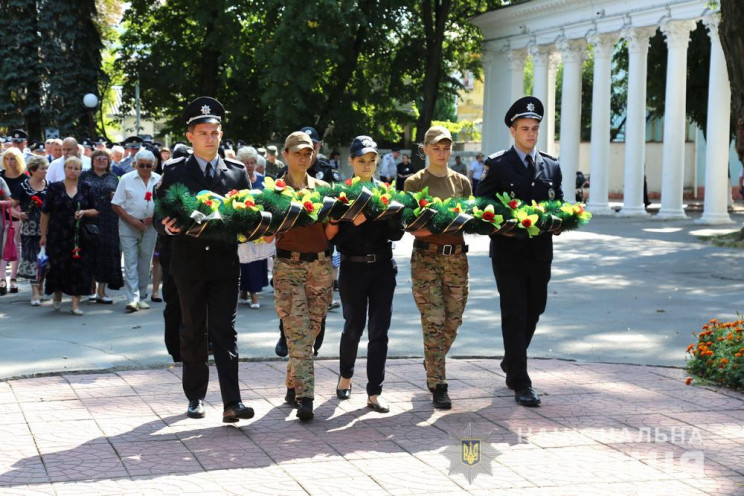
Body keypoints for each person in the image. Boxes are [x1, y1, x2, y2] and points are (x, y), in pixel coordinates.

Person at [154, 96, 254, 423]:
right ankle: (195, 396)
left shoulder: (237, 174)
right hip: (188, 265)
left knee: (225, 331)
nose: (210, 138)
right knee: (193, 328)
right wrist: (166, 226)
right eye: (203, 132)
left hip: (225, 264)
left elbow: (248, 216)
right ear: (190, 136)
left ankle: (232, 402)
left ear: (221, 135)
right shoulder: (174, 172)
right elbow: (159, 215)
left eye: (215, 132)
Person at [476, 96, 563, 407]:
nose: (530, 133)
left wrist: (560, 219)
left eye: (535, 128)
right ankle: (521, 381)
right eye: (525, 128)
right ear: (512, 131)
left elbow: (559, 204)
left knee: (536, 308)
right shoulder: (497, 164)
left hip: (541, 252)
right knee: (515, 313)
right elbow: (481, 204)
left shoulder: (551, 165)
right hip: (509, 252)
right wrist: (503, 223)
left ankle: (512, 359)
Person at [326, 136, 403, 413]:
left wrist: (389, 216)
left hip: (382, 266)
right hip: (353, 267)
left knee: (379, 331)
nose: (367, 165)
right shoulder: (341, 193)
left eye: (372, 160)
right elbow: (330, 236)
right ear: (351, 162)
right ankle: (346, 375)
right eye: (361, 160)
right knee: (353, 327)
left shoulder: (386, 191)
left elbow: (397, 234)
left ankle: (374, 392)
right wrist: (350, 217)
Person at [264, 131, 333, 421]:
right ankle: (306, 397)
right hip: (288, 266)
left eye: (308, 153)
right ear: (285, 154)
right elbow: (266, 235)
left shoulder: (324, 188)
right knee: (298, 333)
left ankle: (293, 384)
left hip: (319, 266)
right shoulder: (274, 190)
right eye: (298, 153)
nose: (304, 158)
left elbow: (330, 233)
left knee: (312, 330)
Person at [404, 126, 471, 410]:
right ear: (426, 149)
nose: (442, 153)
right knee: (433, 319)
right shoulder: (414, 182)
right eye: (436, 148)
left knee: (453, 321)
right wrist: (437, 225)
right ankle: (438, 383)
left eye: (446, 148)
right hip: (427, 259)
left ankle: (433, 357)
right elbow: (410, 224)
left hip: (456, 258)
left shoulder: (463, 183)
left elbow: (472, 217)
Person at [40, 156, 98, 315]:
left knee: (79, 268)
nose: (73, 171)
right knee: (58, 266)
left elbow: (96, 210)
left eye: (76, 168)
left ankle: (75, 304)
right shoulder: (54, 188)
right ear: (64, 169)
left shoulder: (86, 187)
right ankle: (57, 296)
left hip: (79, 236)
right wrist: (43, 235)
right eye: (70, 167)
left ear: (81, 171)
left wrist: (84, 212)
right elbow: (45, 213)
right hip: (57, 234)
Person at [112, 149, 160, 312]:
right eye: (142, 165)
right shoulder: (126, 179)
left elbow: (164, 204)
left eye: (148, 165)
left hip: (150, 227)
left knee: (145, 262)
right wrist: (132, 220)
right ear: (135, 164)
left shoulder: (159, 180)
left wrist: (154, 218)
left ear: (153, 165)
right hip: (128, 225)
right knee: (130, 260)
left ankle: (142, 296)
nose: (145, 168)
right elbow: (116, 204)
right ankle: (132, 298)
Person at [80, 149, 123, 304]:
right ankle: (90, 288)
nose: (101, 160)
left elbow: (120, 198)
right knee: (89, 253)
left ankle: (102, 291)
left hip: (109, 219)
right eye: (98, 158)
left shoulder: (113, 177)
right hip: (89, 217)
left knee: (106, 253)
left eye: (104, 158)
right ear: (92, 160)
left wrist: (115, 196)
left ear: (109, 161)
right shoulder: (84, 175)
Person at [235, 146, 271, 308]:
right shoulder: (235, 180)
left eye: (252, 162)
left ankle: (246, 291)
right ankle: (253, 295)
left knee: (257, 262)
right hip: (243, 228)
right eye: (245, 162)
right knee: (245, 262)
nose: (249, 165)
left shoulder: (263, 180)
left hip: (261, 228)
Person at [11, 156, 48, 305]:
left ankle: (40, 286)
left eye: (46, 168)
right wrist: (19, 215)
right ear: (32, 170)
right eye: (42, 168)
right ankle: (34, 292)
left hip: (47, 229)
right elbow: (11, 206)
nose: (45, 171)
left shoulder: (49, 186)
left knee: (45, 260)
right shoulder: (23, 186)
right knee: (32, 259)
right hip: (29, 229)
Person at [1, 147, 27, 294]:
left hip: (17, 216)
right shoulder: (0, 176)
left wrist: (17, 212)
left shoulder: (24, 178)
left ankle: (14, 278)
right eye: (7, 158)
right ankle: (2, 278)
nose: (9, 162)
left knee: (17, 246)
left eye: (12, 158)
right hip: (1, 216)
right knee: (2, 246)